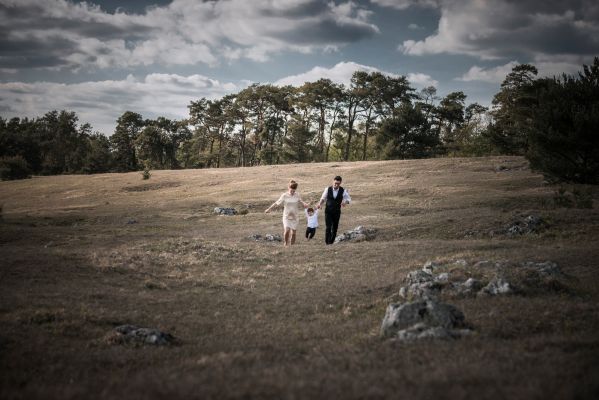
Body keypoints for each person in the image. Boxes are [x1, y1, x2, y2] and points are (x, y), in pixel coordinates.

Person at [265, 179, 309, 247]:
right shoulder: (284, 195)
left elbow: (301, 201)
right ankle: (286, 244)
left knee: (294, 233)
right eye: (291, 190)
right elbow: (277, 203)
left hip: (295, 216)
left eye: (294, 191)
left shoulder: (297, 195)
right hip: (286, 216)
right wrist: (269, 209)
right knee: (287, 230)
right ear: (288, 188)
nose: (292, 192)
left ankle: (292, 246)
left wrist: (305, 204)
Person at [316, 175, 351, 245]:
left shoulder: (343, 190)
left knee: (334, 228)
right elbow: (323, 198)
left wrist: (345, 202)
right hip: (328, 211)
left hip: (337, 212)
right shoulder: (327, 189)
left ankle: (331, 242)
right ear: (333, 182)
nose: (336, 185)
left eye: (338, 183)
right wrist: (320, 204)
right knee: (328, 227)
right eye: (335, 183)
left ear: (340, 183)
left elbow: (349, 199)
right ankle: (327, 243)